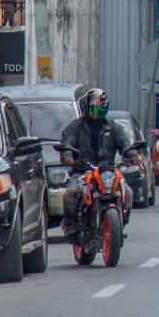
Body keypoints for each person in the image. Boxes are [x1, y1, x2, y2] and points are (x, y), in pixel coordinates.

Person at [58, 88, 127, 234]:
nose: (93, 112)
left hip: (108, 171)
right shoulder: (75, 127)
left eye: (97, 109)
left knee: (128, 192)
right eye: (91, 109)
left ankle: (121, 222)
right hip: (82, 171)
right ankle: (71, 227)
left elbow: (124, 144)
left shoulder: (114, 128)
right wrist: (68, 156)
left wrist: (133, 155)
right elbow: (66, 144)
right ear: (84, 108)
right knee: (71, 193)